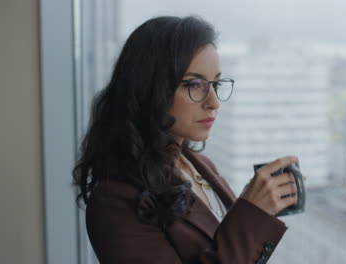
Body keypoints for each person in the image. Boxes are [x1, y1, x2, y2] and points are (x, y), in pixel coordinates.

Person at [73, 15, 305, 264]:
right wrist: (253, 214)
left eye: (216, 83)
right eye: (194, 84)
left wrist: (256, 203)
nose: (214, 102)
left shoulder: (200, 166)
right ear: (150, 88)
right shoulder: (115, 200)